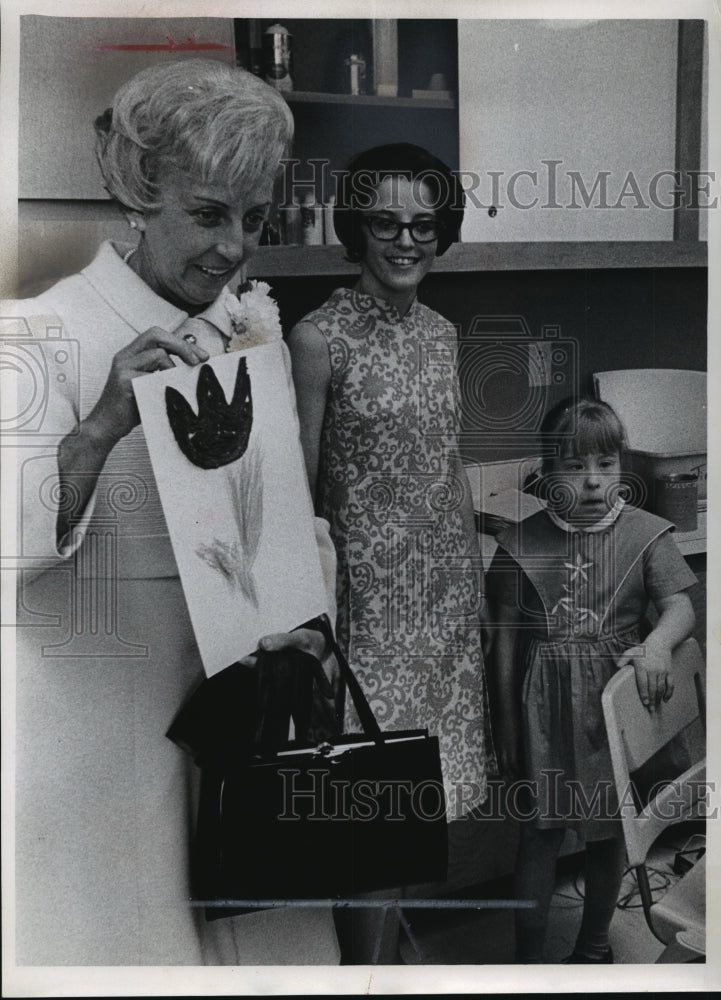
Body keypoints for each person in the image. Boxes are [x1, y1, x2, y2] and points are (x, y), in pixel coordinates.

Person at [8, 59, 340, 965]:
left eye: (253, 220)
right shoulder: (39, 334)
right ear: (140, 195)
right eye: (207, 213)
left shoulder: (250, 332)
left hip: (242, 740)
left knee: (269, 956)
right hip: (98, 739)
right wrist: (105, 421)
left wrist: (301, 611)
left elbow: (276, 532)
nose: (233, 248)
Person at [288, 143, 496, 962]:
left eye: (422, 224)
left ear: (440, 231)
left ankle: (386, 953)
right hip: (366, 612)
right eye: (385, 223)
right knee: (373, 808)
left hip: (440, 600)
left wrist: (469, 582)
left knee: (419, 804)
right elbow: (299, 491)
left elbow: (447, 463)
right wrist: (310, 614)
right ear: (358, 228)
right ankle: (363, 971)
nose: (405, 241)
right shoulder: (318, 338)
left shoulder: (443, 335)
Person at [485, 396, 697, 963]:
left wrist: (655, 643)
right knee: (539, 835)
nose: (593, 482)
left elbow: (680, 606)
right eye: (574, 467)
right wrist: (503, 723)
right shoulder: (519, 543)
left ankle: (596, 945)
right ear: (547, 473)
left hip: (611, 710)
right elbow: (502, 638)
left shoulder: (645, 535)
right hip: (542, 709)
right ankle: (528, 963)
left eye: (605, 465)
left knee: (609, 834)